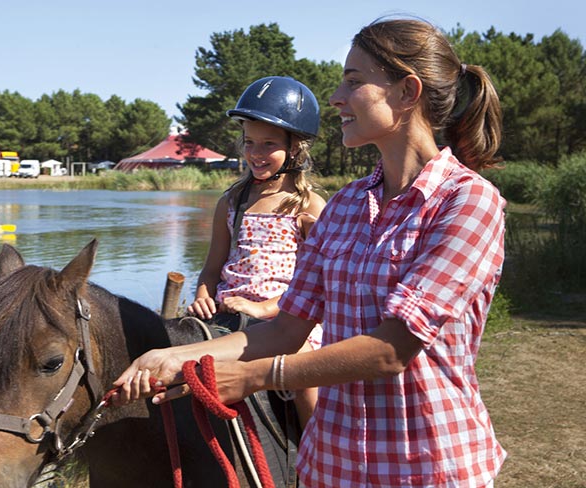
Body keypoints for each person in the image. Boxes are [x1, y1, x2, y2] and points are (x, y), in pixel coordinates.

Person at [114, 17, 506, 488]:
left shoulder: (468, 202)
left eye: (354, 81)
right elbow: (284, 328)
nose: (337, 97)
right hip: (330, 466)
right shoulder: (344, 206)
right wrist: (175, 356)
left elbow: (391, 350)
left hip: (425, 466)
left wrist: (256, 377)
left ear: (407, 91)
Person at [186, 75, 326, 427]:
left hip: (287, 317)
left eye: (268, 144)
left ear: (294, 148)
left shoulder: (309, 206)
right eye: (249, 142)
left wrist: (262, 307)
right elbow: (212, 268)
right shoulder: (232, 202)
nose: (255, 154)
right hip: (228, 310)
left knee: (305, 376)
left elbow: (317, 286)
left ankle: (316, 456)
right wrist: (203, 293)